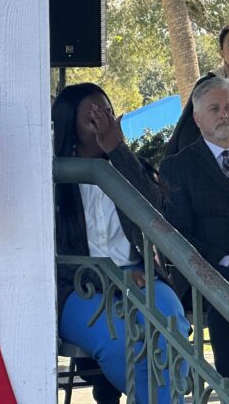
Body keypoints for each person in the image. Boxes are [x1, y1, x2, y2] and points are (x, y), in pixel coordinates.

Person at [54, 83, 189, 404]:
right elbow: (55, 257)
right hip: (79, 286)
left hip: (141, 276)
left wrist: (119, 150)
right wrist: (112, 280)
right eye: (91, 114)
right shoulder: (55, 177)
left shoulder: (125, 165)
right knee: (120, 344)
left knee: (172, 329)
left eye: (107, 111)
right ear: (68, 122)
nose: (102, 118)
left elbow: (154, 210)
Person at [160, 76, 229, 390]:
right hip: (206, 273)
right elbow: (180, 234)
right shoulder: (178, 167)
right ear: (198, 119)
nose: (224, 114)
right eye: (214, 109)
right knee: (227, 284)